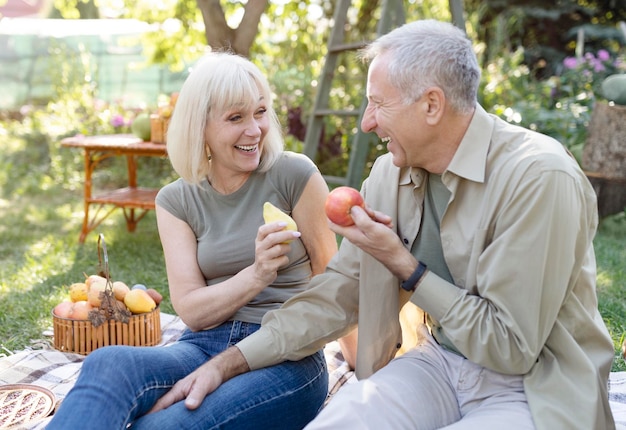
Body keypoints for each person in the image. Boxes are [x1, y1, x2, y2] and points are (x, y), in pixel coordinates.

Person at [148, 20, 617, 429]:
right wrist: (227, 364)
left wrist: (404, 265)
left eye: (377, 104)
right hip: (441, 364)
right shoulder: (390, 174)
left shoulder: (538, 177)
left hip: (535, 384)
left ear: (431, 105)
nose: (366, 123)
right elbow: (339, 293)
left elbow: (510, 347)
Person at [47, 51, 339, 430]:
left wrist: (363, 368)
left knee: (164, 426)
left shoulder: (295, 174)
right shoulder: (175, 200)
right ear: (200, 128)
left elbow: (333, 284)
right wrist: (257, 274)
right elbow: (193, 310)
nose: (254, 130)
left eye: (261, 111)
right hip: (202, 346)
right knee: (107, 363)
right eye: (236, 118)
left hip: (286, 357)